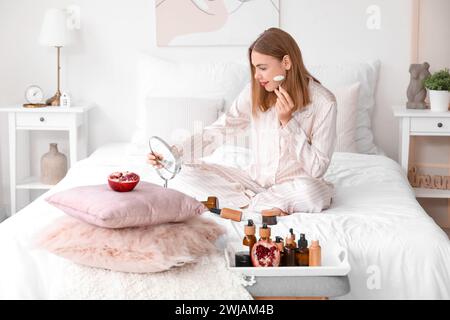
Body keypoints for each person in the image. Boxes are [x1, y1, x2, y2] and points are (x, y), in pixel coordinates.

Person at [148, 27, 337, 215]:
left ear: (286, 62)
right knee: (182, 172)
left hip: (295, 185)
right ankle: (262, 205)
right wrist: (174, 154)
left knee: (312, 194)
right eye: (255, 68)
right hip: (254, 181)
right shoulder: (254, 91)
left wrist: (288, 123)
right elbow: (221, 130)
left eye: (263, 68)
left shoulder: (324, 102)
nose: (257, 76)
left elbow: (317, 169)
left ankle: (246, 205)